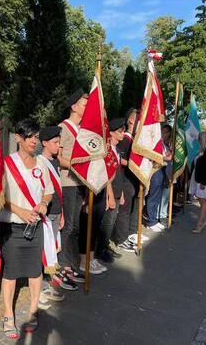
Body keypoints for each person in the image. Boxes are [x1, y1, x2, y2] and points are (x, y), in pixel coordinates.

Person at [0, 119, 54, 339]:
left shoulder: (41, 163)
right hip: (12, 226)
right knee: (10, 273)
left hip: (35, 227)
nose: (34, 141)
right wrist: (20, 211)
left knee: (34, 271)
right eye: (29, 136)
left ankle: (32, 312)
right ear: (19, 138)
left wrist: (43, 204)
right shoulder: (6, 164)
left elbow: (47, 191)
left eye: (36, 136)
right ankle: (9, 315)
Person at [55, 89, 89, 290]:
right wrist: (74, 165)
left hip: (79, 183)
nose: (87, 109)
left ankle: (71, 264)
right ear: (74, 106)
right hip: (67, 182)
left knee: (75, 226)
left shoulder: (82, 130)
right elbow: (57, 156)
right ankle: (63, 266)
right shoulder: (63, 128)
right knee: (67, 226)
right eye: (84, 105)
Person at [38, 126, 65, 305]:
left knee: (51, 249)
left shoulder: (55, 162)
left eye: (59, 142)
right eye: (55, 142)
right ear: (44, 143)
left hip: (56, 211)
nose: (58, 145)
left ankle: (46, 281)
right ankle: (39, 288)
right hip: (46, 213)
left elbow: (59, 188)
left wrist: (61, 212)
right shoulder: (39, 162)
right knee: (42, 249)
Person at [95, 118, 125, 264]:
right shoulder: (106, 150)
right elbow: (106, 176)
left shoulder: (117, 150)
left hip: (118, 190)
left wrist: (122, 194)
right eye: (120, 131)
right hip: (109, 192)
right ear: (111, 133)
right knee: (106, 223)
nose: (123, 134)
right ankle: (100, 250)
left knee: (112, 221)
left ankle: (105, 246)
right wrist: (110, 196)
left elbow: (119, 173)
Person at [114, 108, 141, 252]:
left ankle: (129, 234)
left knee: (131, 208)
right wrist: (132, 164)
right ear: (131, 120)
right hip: (124, 179)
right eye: (138, 118)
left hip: (132, 179)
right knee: (124, 211)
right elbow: (119, 158)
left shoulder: (134, 140)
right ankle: (121, 239)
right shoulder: (124, 139)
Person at [157, 125, 173, 224]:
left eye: (167, 132)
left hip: (169, 173)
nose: (165, 134)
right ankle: (159, 216)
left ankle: (163, 214)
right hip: (161, 172)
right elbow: (162, 157)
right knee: (161, 196)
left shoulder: (167, 145)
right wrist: (170, 155)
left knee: (166, 196)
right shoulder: (159, 144)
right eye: (164, 131)